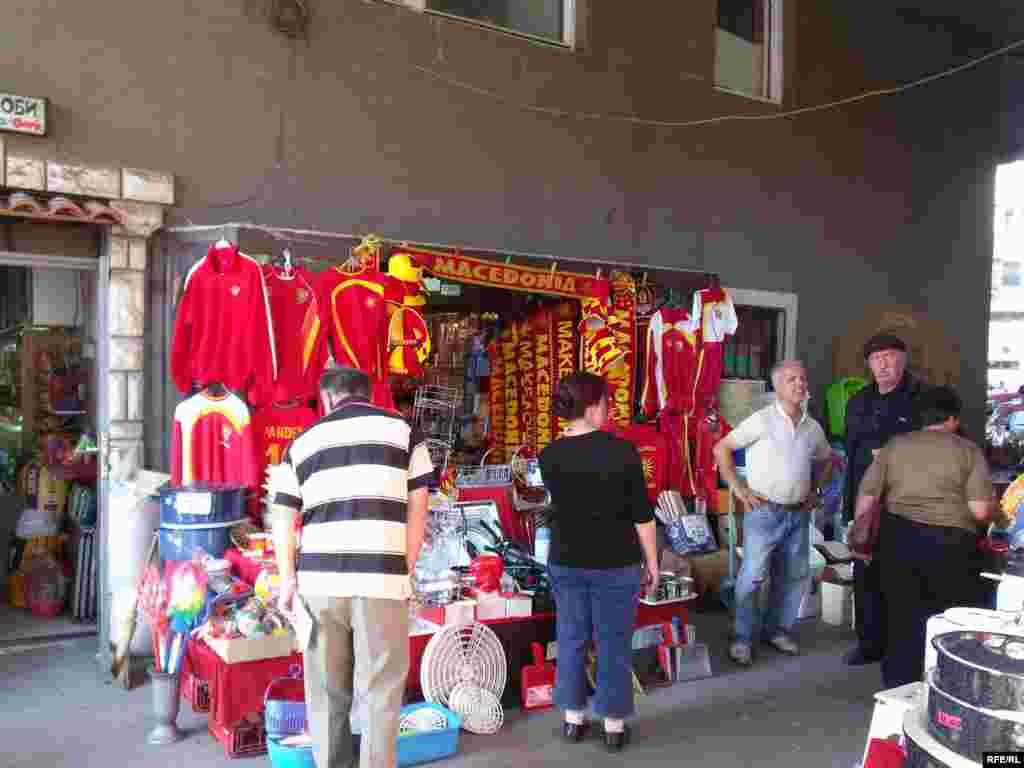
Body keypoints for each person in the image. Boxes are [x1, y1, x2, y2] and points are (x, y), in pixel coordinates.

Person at [269, 367, 433, 768]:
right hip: (380, 581)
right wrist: (405, 570)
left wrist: (287, 580)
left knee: (326, 695)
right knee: (381, 695)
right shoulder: (405, 433)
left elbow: (282, 517)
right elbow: (418, 508)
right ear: (370, 394)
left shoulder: (302, 442)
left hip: (319, 586)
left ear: (327, 399)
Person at [538, 372, 659, 753]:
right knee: (613, 642)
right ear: (591, 407)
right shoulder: (621, 452)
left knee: (572, 638)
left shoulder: (549, 455)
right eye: (606, 401)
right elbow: (642, 514)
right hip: (616, 562)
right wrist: (652, 563)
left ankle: (573, 719)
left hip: (566, 561)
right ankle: (613, 725)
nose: (609, 408)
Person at [853, 386, 995, 687]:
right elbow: (980, 511)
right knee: (950, 621)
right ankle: (946, 689)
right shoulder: (968, 450)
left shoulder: (895, 446)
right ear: (953, 419)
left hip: (898, 541)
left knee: (902, 620)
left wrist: (861, 539)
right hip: (953, 547)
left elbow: (867, 497)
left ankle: (900, 692)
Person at [713, 360, 833, 666]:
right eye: (791, 379)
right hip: (764, 511)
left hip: (798, 513)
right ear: (777, 387)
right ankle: (742, 637)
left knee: (792, 575)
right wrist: (738, 489)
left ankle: (777, 630)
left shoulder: (812, 427)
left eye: (803, 379)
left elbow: (828, 458)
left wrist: (816, 491)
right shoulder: (762, 420)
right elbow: (722, 448)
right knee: (752, 576)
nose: (799, 385)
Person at [843, 334, 924, 667]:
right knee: (865, 573)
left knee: (903, 576)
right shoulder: (859, 401)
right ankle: (869, 643)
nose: (884, 364)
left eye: (890, 356)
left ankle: (899, 646)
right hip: (865, 503)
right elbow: (851, 452)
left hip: (905, 503)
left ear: (903, 359)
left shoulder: (921, 399)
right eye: (877, 359)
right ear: (869, 364)